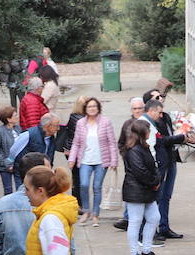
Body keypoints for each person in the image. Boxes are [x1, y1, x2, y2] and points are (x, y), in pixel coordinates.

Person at [142, 93, 195, 240]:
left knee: (166, 196)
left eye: (161, 96)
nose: (161, 98)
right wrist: (180, 137)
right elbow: (160, 141)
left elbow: (169, 134)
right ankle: (152, 229)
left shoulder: (165, 117)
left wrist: (182, 131)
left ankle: (164, 227)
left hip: (171, 158)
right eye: (156, 97)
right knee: (157, 196)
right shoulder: (147, 123)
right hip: (160, 161)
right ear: (150, 106)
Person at [67, 97, 118, 228]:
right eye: (89, 106)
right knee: (83, 185)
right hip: (85, 160)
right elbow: (76, 143)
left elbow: (112, 142)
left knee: (97, 187)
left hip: (101, 161)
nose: (92, 108)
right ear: (85, 109)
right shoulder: (81, 123)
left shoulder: (105, 122)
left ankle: (95, 214)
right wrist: (72, 159)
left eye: (94, 106)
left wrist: (114, 160)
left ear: (98, 107)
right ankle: (85, 211)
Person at [119, 118, 162, 255]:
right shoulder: (133, 150)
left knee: (154, 218)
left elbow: (152, 166)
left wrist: (156, 180)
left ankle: (146, 250)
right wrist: (154, 182)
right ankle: (134, 253)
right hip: (136, 191)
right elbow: (140, 171)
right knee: (135, 221)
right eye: (148, 130)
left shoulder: (143, 147)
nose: (150, 132)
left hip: (146, 189)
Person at [112, 99, 148, 230]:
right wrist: (125, 155)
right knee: (131, 189)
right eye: (135, 109)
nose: (137, 111)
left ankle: (133, 218)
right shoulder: (127, 124)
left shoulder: (147, 123)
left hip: (146, 162)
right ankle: (128, 217)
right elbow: (121, 142)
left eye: (140, 108)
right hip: (131, 163)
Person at [60, 95, 87, 198]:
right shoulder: (78, 119)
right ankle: (78, 201)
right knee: (78, 177)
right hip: (73, 151)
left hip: (71, 149)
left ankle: (79, 200)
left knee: (78, 177)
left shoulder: (74, 116)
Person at [0, 106, 21, 195]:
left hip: (18, 164)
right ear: (8, 119)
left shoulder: (18, 128)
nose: (17, 117)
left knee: (20, 189)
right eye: (15, 115)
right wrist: (6, 162)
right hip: (5, 166)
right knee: (8, 190)